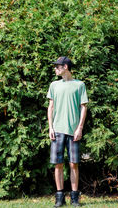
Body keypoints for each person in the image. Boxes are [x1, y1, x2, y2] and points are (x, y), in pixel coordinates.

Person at [47, 56, 88, 207]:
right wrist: (50, 127)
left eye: (57, 66)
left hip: (73, 131)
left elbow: (83, 107)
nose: (55, 69)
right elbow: (50, 107)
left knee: (73, 164)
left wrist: (80, 128)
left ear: (65, 67)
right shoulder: (54, 85)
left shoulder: (79, 85)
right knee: (58, 164)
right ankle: (59, 197)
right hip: (57, 130)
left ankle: (75, 198)